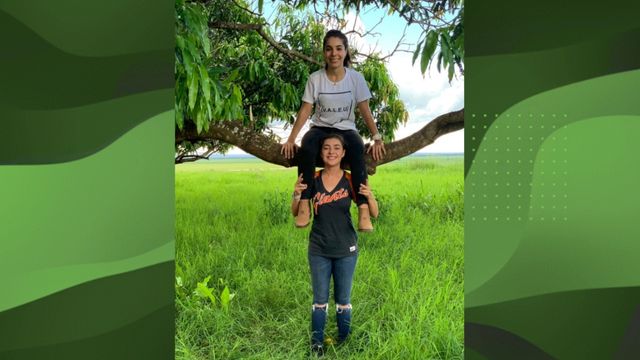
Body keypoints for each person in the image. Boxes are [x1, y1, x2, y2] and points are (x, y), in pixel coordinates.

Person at [281, 29, 385, 232]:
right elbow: (306, 109)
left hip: (346, 129)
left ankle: (363, 210)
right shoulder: (315, 79)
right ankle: (304, 204)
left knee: (356, 148)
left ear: (346, 52)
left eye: (339, 49)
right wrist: (291, 139)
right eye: (329, 49)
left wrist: (377, 137)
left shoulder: (356, 78)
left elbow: (364, 109)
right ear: (323, 53)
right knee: (307, 145)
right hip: (321, 128)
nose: (334, 54)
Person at [291, 134, 379, 356]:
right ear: (321, 153)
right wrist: (296, 193)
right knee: (320, 299)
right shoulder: (314, 177)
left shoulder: (351, 179)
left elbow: (375, 214)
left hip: (346, 249)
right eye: (327, 148)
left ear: (343, 153)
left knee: (343, 300)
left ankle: (344, 340)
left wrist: (370, 197)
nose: (331, 152)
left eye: (336, 148)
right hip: (319, 248)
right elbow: (296, 212)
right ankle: (317, 342)